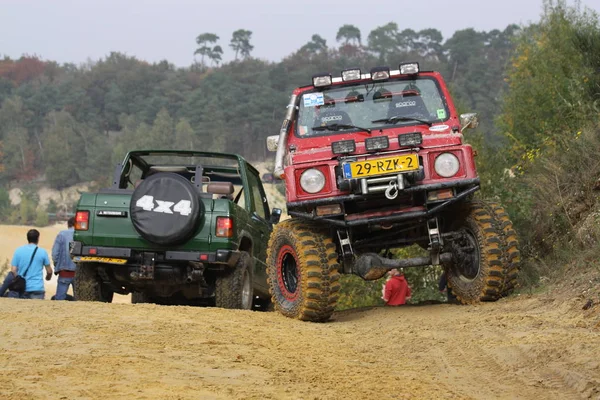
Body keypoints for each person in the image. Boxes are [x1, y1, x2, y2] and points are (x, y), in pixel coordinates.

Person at [9, 229, 52, 299]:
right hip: (37, 287)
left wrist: (19, 279)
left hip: (23, 288)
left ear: (27, 238)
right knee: (37, 309)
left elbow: (13, 270)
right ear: (38, 238)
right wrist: (48, 278)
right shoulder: (43, 252)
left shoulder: (18, 251)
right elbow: (49, 271)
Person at [52, 217, 77, 300]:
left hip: (64, 272)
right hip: (79, 273)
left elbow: (55, 254)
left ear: (68, 225)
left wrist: (57, 266)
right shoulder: (82, 235)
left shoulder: (61, 234)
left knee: (59, 300)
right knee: (80, 301)